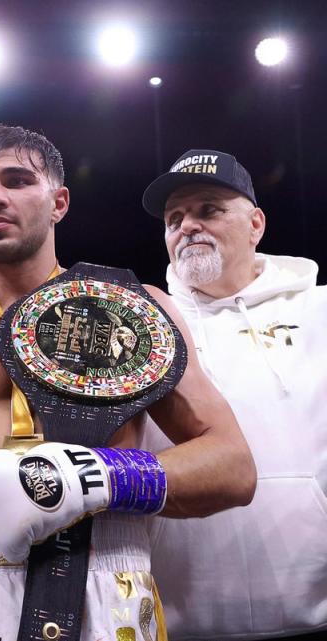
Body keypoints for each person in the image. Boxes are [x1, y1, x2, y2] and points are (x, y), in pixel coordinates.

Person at [0, 125, 256, 641]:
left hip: (102, 583)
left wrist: (100, 476)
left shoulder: (135, 313)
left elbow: (233, 465)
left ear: (59, 202)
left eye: (17, 180)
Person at [135, 150, 327, 640]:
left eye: (209, 210)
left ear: (256, 224)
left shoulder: (321, 313)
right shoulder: (141, 326)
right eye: (174, 218)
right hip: (177, 620)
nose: (188, 226)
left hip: (316, 612)